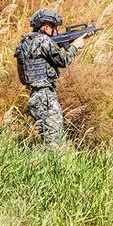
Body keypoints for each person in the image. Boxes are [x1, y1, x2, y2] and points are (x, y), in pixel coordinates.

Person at [15, 8, 86, 147]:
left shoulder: (24, 42)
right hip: (46, 96)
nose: (56, 31)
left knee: (44, 139)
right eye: (54, 27)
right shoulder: (43, 40)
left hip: (34, 96)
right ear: (46, 27)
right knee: (55, 141)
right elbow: (63, 60)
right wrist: (75, 46)